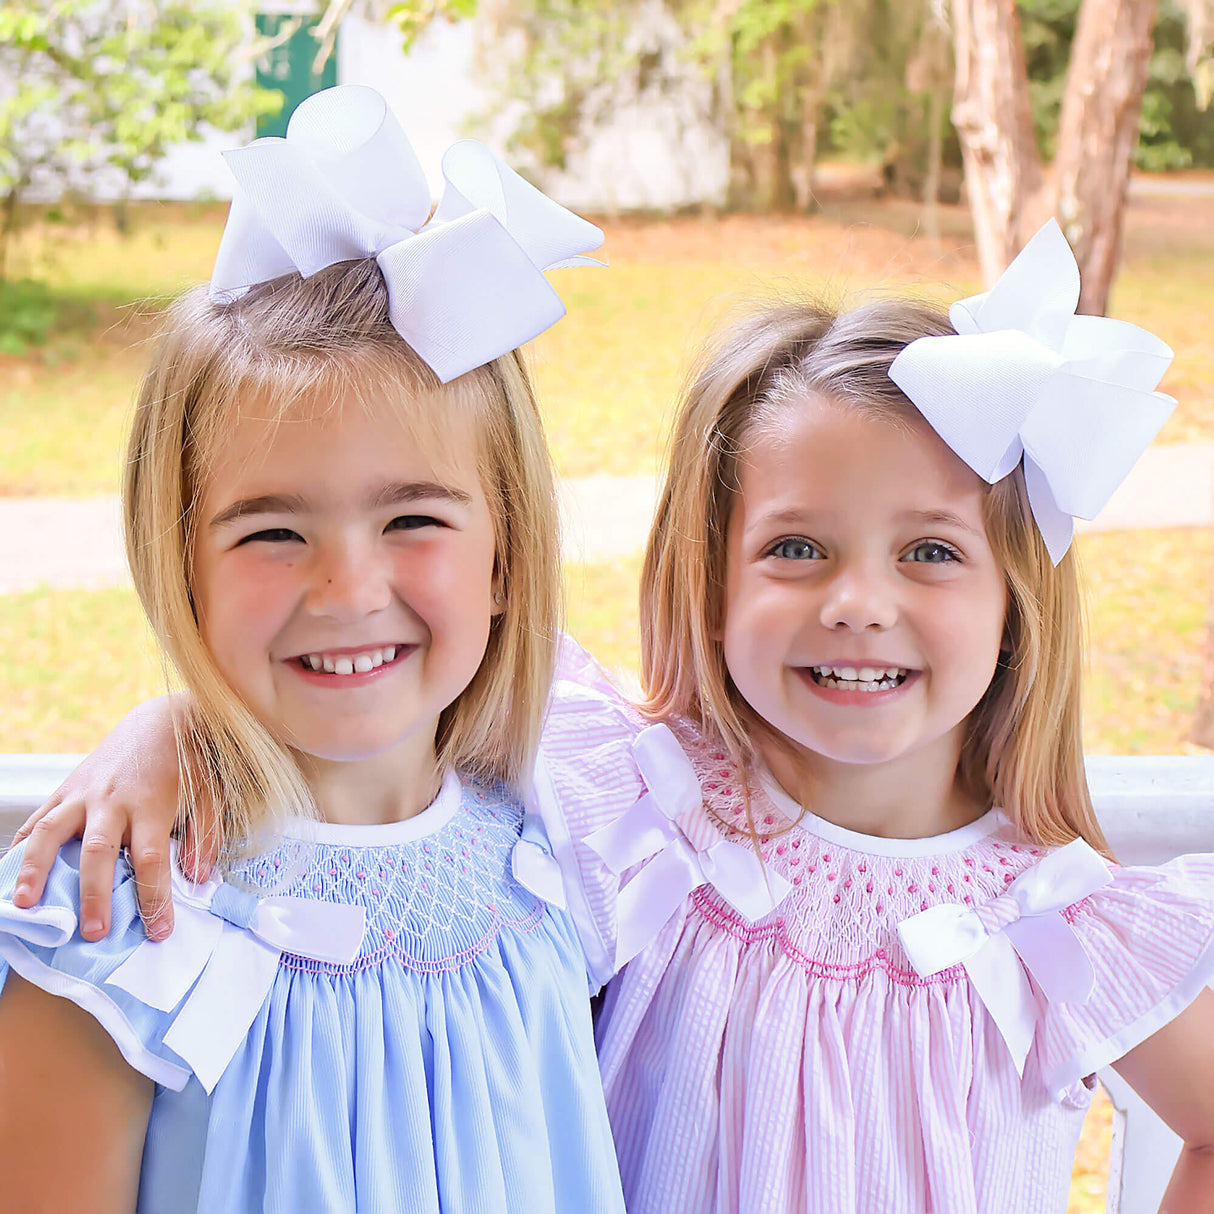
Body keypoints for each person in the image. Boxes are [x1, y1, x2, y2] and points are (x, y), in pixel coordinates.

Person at [15, 222, 1214, 1213]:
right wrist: (174, 723)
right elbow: (376, 697)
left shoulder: (1063, 924)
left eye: (931, 553)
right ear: (710, 570)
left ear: (1017, 600)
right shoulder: (635, 812)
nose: (857, 604)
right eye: (794, 546)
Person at [0, 84, 625, 1213]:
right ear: (177, 553)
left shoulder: (563, 833)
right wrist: (174, 719)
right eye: (272, 530)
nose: (347, 586)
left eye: (414, 519)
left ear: (504, 552)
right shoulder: (123, 910)